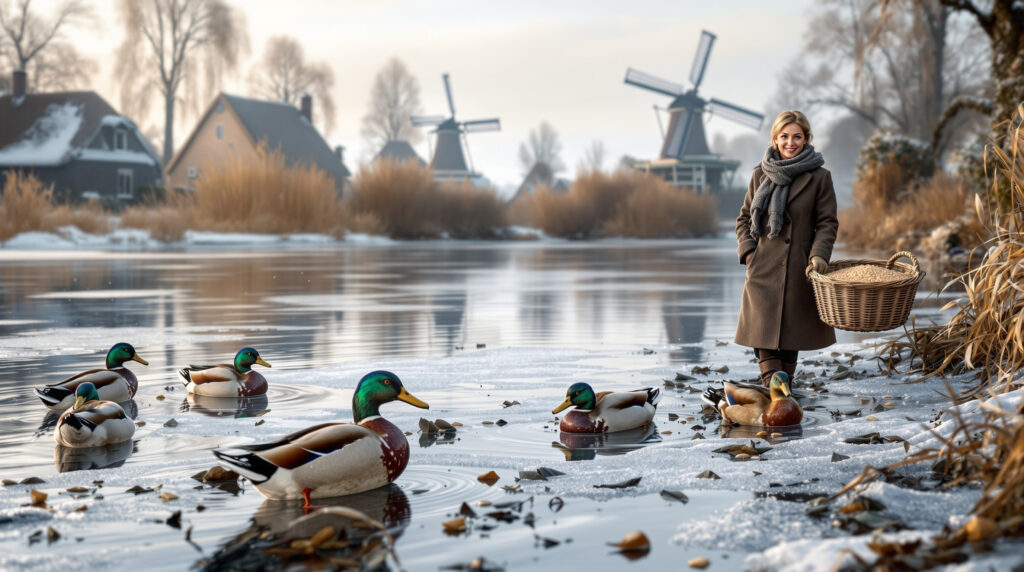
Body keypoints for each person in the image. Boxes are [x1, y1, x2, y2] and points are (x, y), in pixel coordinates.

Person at [734, 110, 838, 386]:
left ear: (806, 139)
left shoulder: (820, 177)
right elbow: (744, 218)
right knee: (762, 333)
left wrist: (818, 256)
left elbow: (827, 223)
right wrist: (748, 252)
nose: (790, 142)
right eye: (784, 136)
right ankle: (774, 389)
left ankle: (783, 393)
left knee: (791, 335)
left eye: (796, 137)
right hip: (762, 267)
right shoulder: (759, 173)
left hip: (798, 266)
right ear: (774, 138)